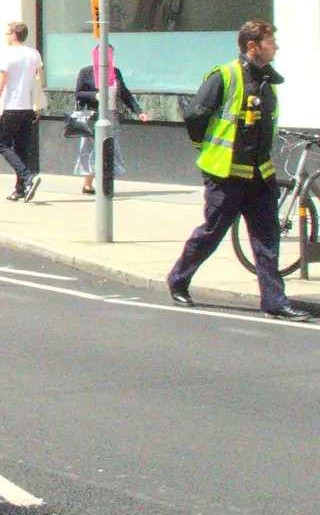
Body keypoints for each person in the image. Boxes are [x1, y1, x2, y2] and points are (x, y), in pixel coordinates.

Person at [167, 20, 312, 321]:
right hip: (226, 175)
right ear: (253, 46)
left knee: (267, 238)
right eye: (272, 42)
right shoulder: (226, 75)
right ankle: (179, 279)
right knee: (211, 233)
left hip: (259, 175)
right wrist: (205, 149)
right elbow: (195, 115)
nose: (277, 47)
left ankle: (274, 301)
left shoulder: (267, 80)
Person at [74, 45, 147, 195]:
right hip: (92, 117)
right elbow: (78, 94)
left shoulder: (115, 72)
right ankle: (88, 184)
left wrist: (139, 111)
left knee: (109, 149)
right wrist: (95, 96)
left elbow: (125, 93)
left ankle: (106, 183)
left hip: (110, 116)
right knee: (89, 150)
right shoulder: (86, 72)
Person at [0, 21, 44, 201]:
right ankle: (20, 190)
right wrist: (38, 105)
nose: (5, 37)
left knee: (3, 145)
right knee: (21, 149)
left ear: (14, 35)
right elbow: (40, 81)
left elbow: (0, 84)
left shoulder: (8, 55)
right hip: (28, 108)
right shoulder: (34, 54)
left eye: (7, 33)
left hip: (12, 107)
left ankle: (27, 176)